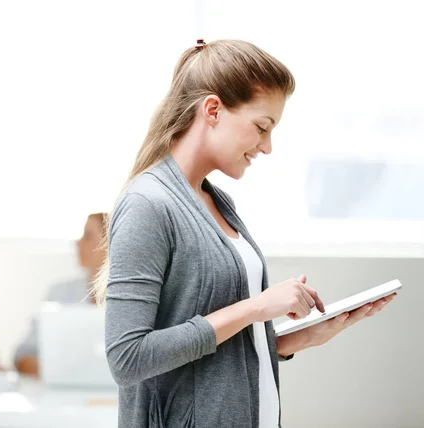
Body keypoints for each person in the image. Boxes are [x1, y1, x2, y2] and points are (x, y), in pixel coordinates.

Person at [92, 39, 395, 428]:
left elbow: (213, 356)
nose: (267, 147)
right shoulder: (148, 204)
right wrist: (257, 307)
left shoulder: (217, 202)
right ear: (213, 110)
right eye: (261, 127)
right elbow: (128, 358)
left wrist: (292, 340)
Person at [13, 213, 106, 376]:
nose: (77, 243)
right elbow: (22, 356)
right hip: (61, 396)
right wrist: (64, 374)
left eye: (88, 236)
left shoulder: (139, 299)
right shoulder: (60, 294)